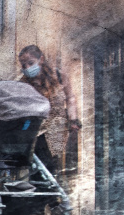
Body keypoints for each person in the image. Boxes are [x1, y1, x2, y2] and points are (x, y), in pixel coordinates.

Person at [16, 45, 81, 177]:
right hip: (36, 130)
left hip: (58, 129)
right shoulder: (23, 84)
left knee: (57, 165)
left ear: (41, 59)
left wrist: (73, 119)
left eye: (31, 63)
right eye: (24, 65)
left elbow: (70, 97)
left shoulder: (58, 76)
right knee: (40, 166)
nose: (27, 68)